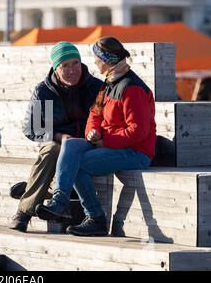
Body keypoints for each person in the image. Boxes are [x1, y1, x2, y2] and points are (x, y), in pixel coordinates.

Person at [34, 36, 156, 237]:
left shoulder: (132, 88)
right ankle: (59, 201)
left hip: (136, 152)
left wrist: (104, 140)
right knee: (71, 145)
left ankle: (96, 218)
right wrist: (94, 131)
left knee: (78, 163)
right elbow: (95, 113)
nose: (94, 62)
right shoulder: (109, 83)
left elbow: (138, 131)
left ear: (106, 60)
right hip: (110, 145)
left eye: (97, 58)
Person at [10, 41, 102, 232]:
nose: (72, 70)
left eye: (75, 63)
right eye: (65, 65)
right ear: (55, 68)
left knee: (71, 153)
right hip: (55, 141)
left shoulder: (96, 87)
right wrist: (59, 136)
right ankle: (24, 212)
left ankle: (37, 189)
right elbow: (31, 129)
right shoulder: (43, 91)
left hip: (87, 142)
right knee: (53, 148)